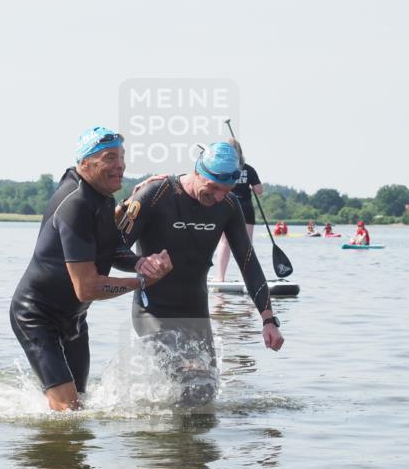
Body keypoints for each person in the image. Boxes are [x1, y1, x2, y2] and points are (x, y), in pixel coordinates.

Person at [10, 127, 173, 411]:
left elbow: (110, 246)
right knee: (69, 409)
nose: (120, 165)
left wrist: (140, 263)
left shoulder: (100, 196)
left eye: (122, 157)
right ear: (84, 163)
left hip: (74, 318)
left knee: (80, 404)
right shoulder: (76, 203)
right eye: (109, 158)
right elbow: (87, 288)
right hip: (36, 316)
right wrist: (142, 282)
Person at [115, 141, 284, 404]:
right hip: (153, 310)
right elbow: (113, 249)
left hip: (196, 312)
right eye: (213, 187)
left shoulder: (228, 205)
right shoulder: (156, 194)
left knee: (205, 392)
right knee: (188, 377)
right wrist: (141, 263)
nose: (218, 197)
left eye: (226, 190)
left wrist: (268, 319)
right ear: (197, 171)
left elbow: (248, 262)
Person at [213, 139, 263, 281]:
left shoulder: (222, 169)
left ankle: (220, 277)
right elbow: (259, 191)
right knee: (247, 244)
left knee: (224, 242)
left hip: (226, 207)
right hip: (246, 208)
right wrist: (251, 185)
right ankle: (250, 279)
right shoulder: (249, 169)